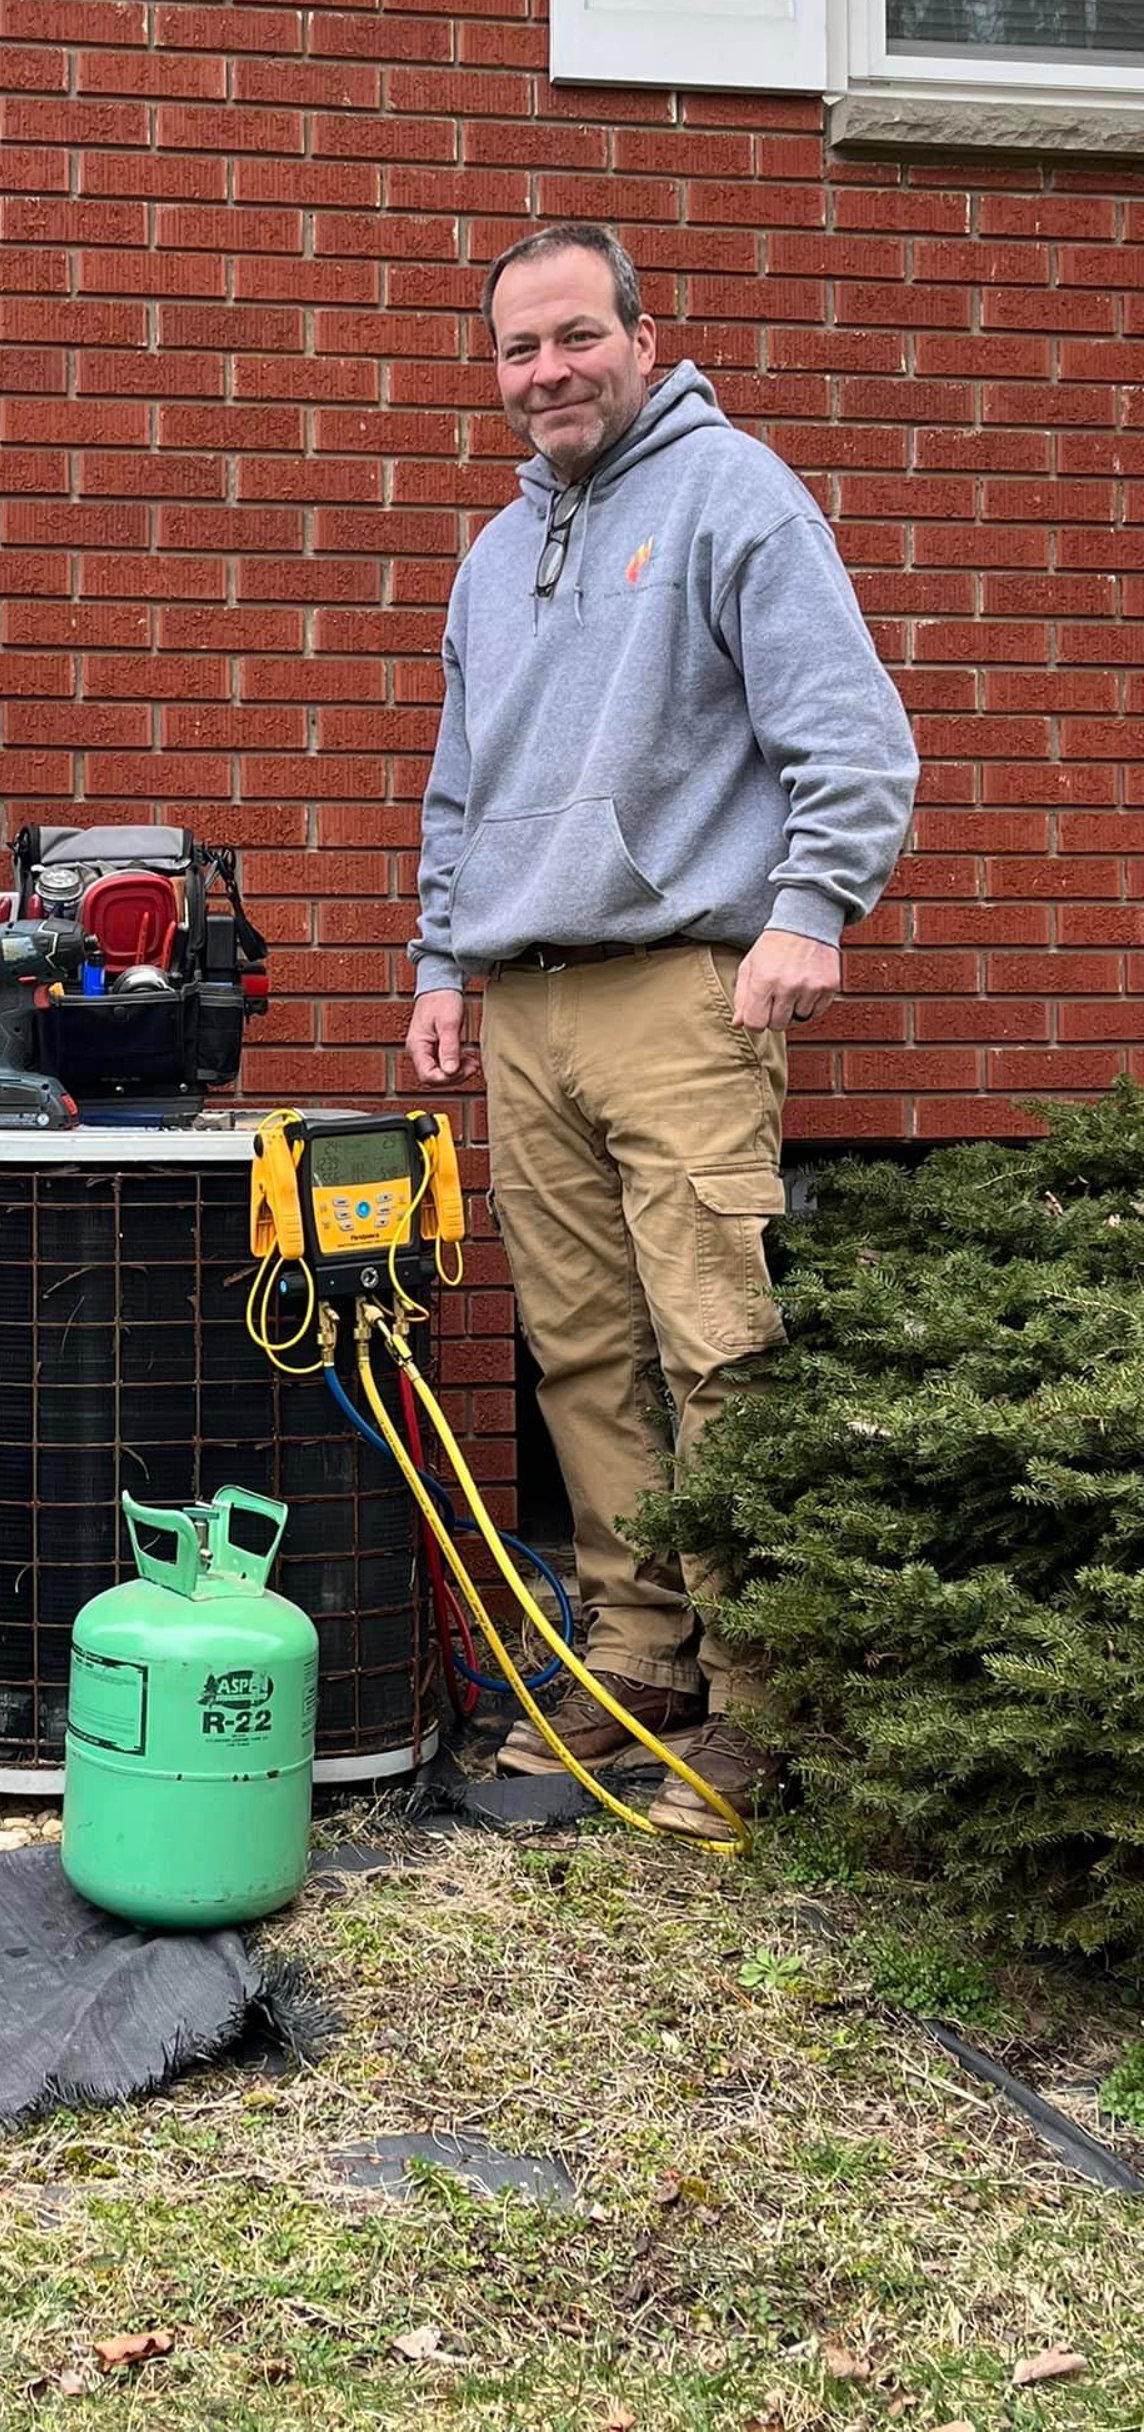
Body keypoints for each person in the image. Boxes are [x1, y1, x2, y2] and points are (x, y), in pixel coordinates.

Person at [404, 224, 918, 1837]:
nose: (546, 371)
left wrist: (810, 910)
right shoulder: (494, 556)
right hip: (524, 1002)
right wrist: (436, 959)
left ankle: (759, 1697)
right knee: (580, 1353)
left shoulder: (735, 495)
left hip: (683, 990)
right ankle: (640, 1660)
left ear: (641, 333)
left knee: (719, 1352)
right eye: (517, 350)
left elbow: (854, 736)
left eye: (573, 336)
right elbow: (459, 783)